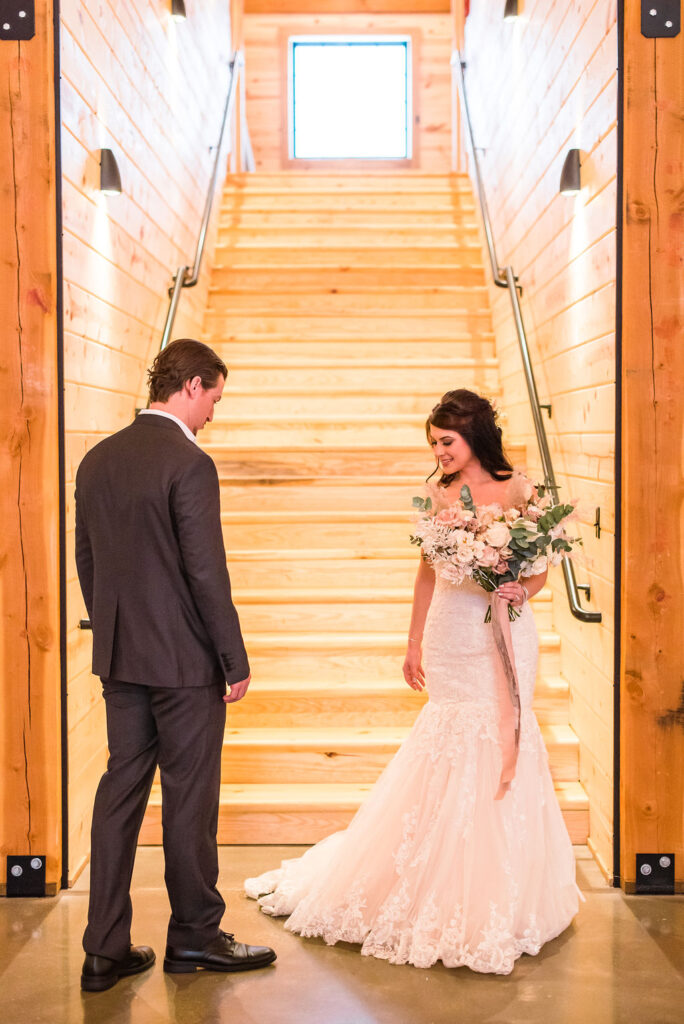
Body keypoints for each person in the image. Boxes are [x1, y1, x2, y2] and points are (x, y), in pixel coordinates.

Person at [245, 389, 579, 975]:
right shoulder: (436, 493)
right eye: (432, 444)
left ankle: (503, 884)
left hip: (507, 631)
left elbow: (541, 569)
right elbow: (426, 571)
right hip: (454, 632)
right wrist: (414, 639)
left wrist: (517, 591)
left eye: (445, 442)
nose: (439, 453)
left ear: (473, 435)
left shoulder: (521, 488)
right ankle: (435, 879)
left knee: (504, 733)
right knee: (453, 734)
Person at [76, 338, 276, 992]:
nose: (214, 412)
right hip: (185, 665)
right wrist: (233, 656)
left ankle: (104, 948)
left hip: (120, 656)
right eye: (215, 397)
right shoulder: (189, 463)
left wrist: (113, 631)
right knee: (189, 800)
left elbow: (89, 562)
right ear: (191, 385)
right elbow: (205, 573)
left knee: (119, 794)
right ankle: (194, 938)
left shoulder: (97, 459)